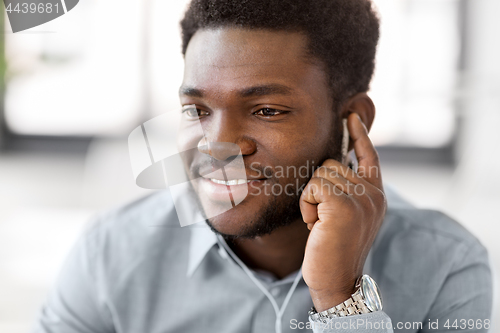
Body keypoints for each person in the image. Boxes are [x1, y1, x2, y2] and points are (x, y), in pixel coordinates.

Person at [34, 0, 493, 332]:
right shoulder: (109, 255)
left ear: (354, 121)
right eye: (197, 111)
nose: (218, 146)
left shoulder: (445, 264)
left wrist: (342, 300)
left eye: (267, 110)